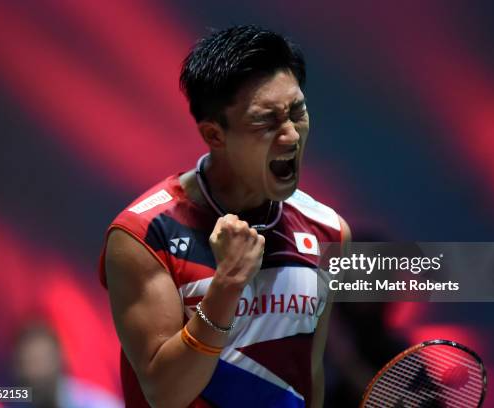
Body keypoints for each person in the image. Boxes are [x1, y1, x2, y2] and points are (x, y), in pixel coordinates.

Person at [99, 25, 351, 408]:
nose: (291, 136)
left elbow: (308, 374)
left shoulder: (327, 231)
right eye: (266, 121)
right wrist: (228, 283)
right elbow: (164, 394)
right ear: (214, 135)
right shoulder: (144, 235)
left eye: (297, 112)